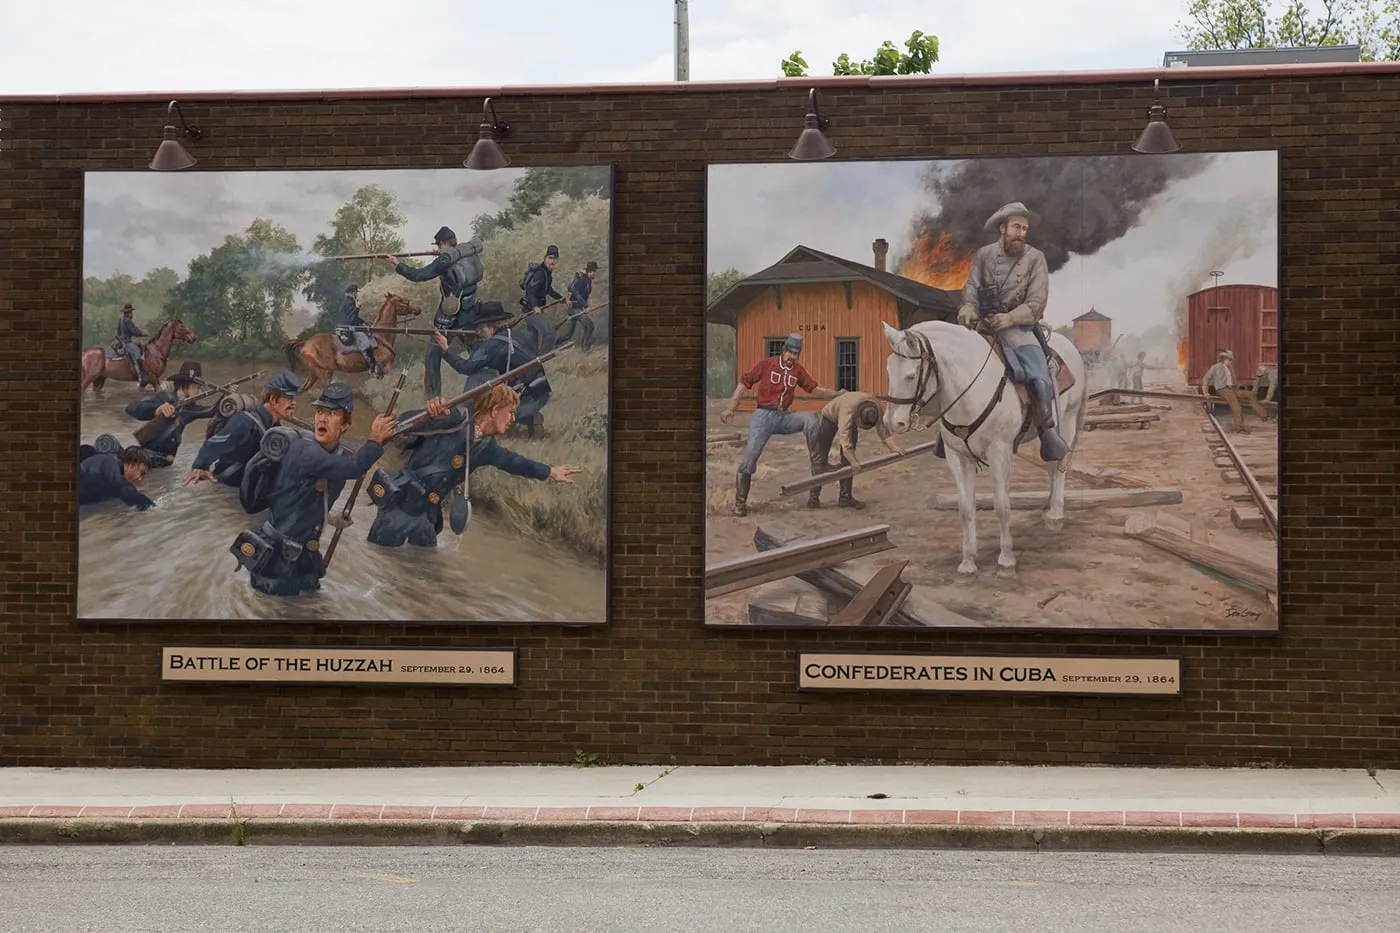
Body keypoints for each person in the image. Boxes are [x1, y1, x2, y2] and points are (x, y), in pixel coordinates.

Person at [365, 383, 582, 549]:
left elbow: (515, 462)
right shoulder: (455, 417)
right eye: (511, 412)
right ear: (495, 410)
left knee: (424, 571)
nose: (513, 419)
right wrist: (429, 415)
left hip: (428, 516)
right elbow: (405, 423)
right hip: (402, 504)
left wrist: (549, 471)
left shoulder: (488, 447)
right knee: (380, 558)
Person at [229, 383, 395, 597]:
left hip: (304, 556)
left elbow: (311, 496)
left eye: (332, 414)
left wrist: (329, 518)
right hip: (277, 561)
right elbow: (354, 468)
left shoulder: (337, 455)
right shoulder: (304, 450)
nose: (322, 419)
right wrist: (375, 440)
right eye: (319, 412)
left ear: (345, 425)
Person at [954, 201, 1067, 461]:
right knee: (955, 369)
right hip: (984, 326)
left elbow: (1037, 303)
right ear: (1003, 228)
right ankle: (948, 435)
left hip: (1020, 328)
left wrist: (1009, 318)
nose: (1022, 233)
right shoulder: (983, 255)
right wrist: (968, 310)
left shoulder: (1035, 258)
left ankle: (1046, 430)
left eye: (1025, 228)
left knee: (1039, 376)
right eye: (1017, 227)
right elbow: (971, 290)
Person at [719, 333, 843, 517]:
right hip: (763, 417)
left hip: (784, 417)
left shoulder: (797, 371)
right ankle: (740, 503)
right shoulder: (767, 364)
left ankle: (819, 465)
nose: (792, 357)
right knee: (749, 457)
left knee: (811, 419)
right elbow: (745, 382)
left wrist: (837, 393)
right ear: (784, 350)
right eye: (790, 353)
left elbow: (814, 388)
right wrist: (731, 407)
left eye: (796, 354)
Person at [379, 226, 485, 396]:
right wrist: (441, 256)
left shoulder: (445, 261)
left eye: (438, 245)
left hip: (449, 316)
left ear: (443, 243)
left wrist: (397, 264)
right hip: (471, 311)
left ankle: (432, 398)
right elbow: (452, 262)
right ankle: (488, 385)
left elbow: (419, 275)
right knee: (478, 352)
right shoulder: (469, 252)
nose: (437, 248)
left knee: (432, 355)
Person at [433, 301, 552, 437]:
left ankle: (463, 419)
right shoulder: (518, 335)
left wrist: (445, 349)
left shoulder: (493, 345)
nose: (479, 332)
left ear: (491, 325)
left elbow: (465, 367)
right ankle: (529, 416)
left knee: (477, 378)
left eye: (481, 327)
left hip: (525, 399)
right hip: (540, 394)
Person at [183, 369, 301, 488]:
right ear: (272, 399)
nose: (294, 403)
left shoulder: (275, 428)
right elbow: (213, 444)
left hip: (249, 491)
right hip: (227, 489)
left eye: (294, 399)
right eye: (289, 398)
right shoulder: (244, 422)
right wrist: (199, 467)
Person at [807, 393, 905, 510]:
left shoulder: (876, 407)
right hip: (829, 418)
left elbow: (883, 430)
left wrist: (893, 447)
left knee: (847, 463)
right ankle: (814, 498)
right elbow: (844, 440)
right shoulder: (847, 411)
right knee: (820, 460)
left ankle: (845, 498)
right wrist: (854, 461)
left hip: (851, 418)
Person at [123, 360, 217, 469]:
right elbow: (131, 408)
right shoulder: (164, 398)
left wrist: (228, 397)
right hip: (145, 461)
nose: (199, 392)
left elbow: (213, 410)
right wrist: (156, 409)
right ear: (183, 386)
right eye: (196, 387)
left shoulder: (190, 409)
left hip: (164, 465)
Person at [78, 446, 155, 510]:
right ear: (132, 465)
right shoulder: (108, 463)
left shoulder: (113, 476)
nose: (140, 479)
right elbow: (125, 490)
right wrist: (153, 508)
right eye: (141, 473)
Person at [519, 245, 564, 352]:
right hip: (531, 311)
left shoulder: (547, 275)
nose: (552, 261)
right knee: (550, 334)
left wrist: (562, 299)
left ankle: (531, 362)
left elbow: (549, 290)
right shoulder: (540, 273)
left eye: (554, 259)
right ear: (545, 258)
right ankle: (540, 359)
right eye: (550, 258)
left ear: (557, 260)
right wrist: (535, 306)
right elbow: (530, 291)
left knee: (533, 341)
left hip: (532, 310)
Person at [334, 284, 382, 376]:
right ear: (353, 293)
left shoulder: (346, 302)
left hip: (346, 328)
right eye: (356, 292)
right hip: (350, 329)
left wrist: (365, 322)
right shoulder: (350, 303)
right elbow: (351, 319)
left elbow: (353, 318)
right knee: (367, 344)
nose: (357, 294)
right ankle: (372, 366)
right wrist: (357, 308)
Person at [1202, 349, 1250, 433]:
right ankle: (1240, 428)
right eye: (1229, 360)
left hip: (1232, 389)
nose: (1231, 362)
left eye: (1231, 360)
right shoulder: (1216, 367)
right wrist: (1205, 392)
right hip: (1222, 389)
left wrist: (1239, 387)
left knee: (1239, 405)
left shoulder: (1231, 368)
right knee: (1236, 407)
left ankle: (1238, 426)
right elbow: (1206, 378)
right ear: (1224, 359)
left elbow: (1234, 381)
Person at [558, 260, 598, 352]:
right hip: (574, 307)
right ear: (590, 271)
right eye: (594, 272)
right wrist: (585, 305)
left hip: (578, 308)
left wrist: (584, 306)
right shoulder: (582, 279)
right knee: (589, 326)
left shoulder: (587, 281)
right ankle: (585, 349)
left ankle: (554, 344)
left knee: (568, 334)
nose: (594, 274)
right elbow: (575, 292)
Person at [115, 303, 148, 388]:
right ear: (128, 312)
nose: (131, 314)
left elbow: (118, 332)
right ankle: (140, 376)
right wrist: (142, 333)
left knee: (139, 346)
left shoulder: (121, 319)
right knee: (137, 352)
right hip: (128, 342)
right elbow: (133, 331)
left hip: (124, 341)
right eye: (131, 312)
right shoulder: (127, 321)